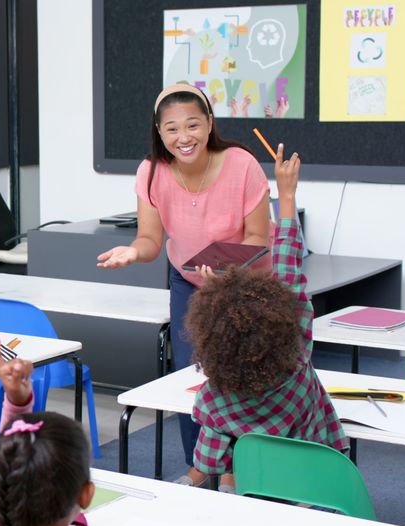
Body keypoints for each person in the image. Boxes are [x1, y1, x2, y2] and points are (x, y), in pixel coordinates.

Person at [96, 82, 273, 482]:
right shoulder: (151, 171)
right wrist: (133, 252)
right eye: (172, 128)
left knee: (238, 375)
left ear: (210, 124)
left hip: (245, 284)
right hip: (189, 281)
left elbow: (257, 238)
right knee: (192, 374)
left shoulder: (241, 164)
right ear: (159, 132)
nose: (183, 137)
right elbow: (150, 240)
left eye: (193, 125)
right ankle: (200, 466)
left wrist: (227, 271)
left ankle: (236, 472)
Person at [182, 146, 349, 490]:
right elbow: (289, 270)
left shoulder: (215, 397)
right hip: (312, 482)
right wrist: (286, 194)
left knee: (214, 466)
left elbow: (206, 459)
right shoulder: (297, 356)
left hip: (256, 484)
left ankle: (228, 487)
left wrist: (214, 294)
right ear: (281, 318)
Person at [0, 342, 110, 526]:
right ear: (86, 495)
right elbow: (2, 472)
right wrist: (18, 405)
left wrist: (17, 406)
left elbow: (2, 472)